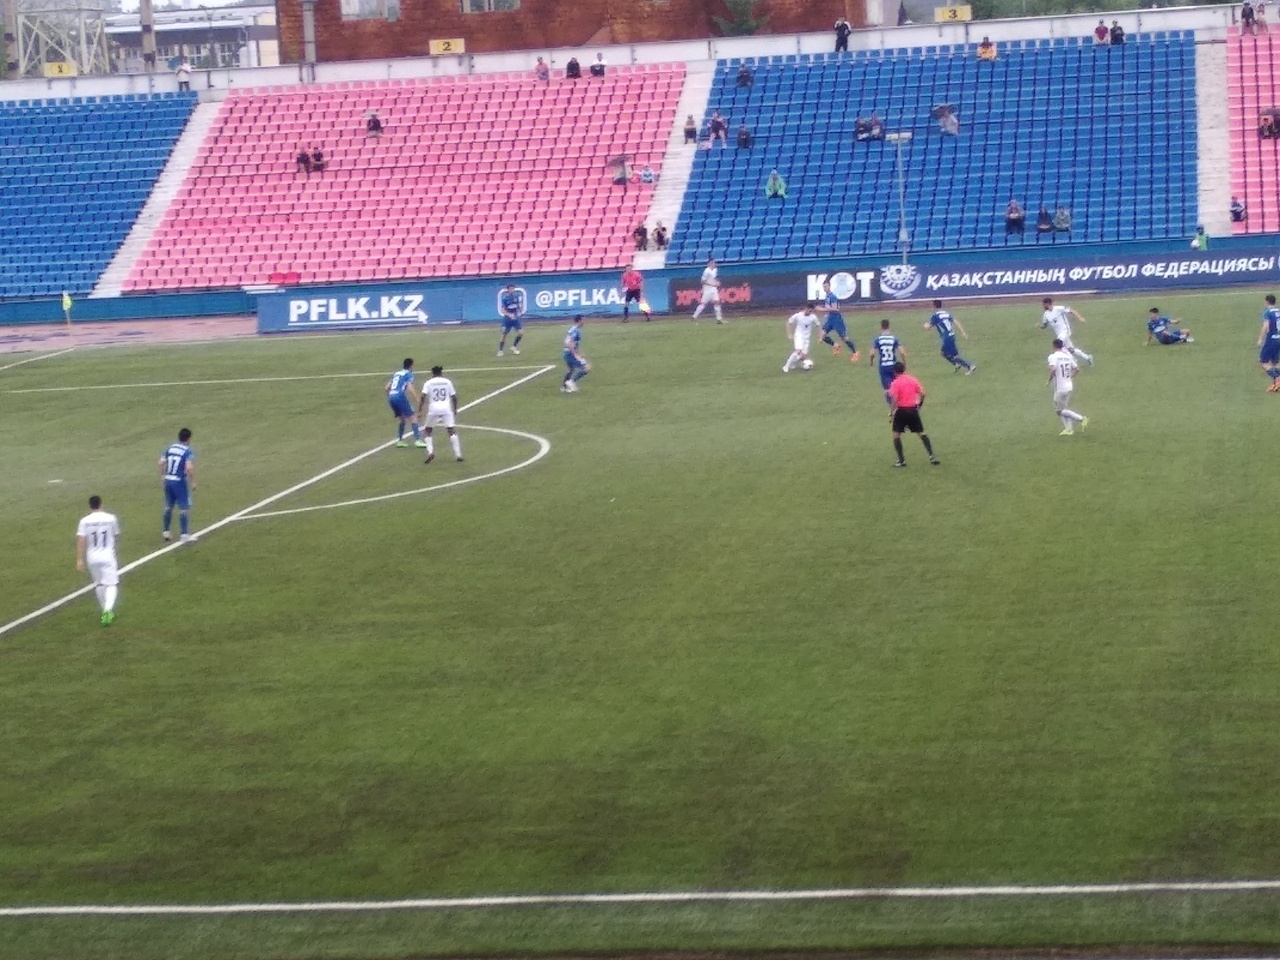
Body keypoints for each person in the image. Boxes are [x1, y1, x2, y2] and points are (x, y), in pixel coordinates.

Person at [77, 495, 121, 626]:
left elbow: (81, 540)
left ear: (90, 506)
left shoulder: (84, 521)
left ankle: (105, 612)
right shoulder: (111, 518)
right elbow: (116, 535)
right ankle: (107, 610)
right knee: (112, 585)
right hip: (107, 555)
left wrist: (79, 559)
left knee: (99, 584)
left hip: (92, 557)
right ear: (101, 504)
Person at [886, 362, 940, 467]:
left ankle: (901, 461)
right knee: (921, 433)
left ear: (895, 372)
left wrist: (891, 413)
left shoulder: (895, 383)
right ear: (904, 369)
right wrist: (920, 404)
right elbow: (923, 394)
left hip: (901, 411)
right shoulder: (912, 379)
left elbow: (895, 399)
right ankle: (932, 456)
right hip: (913, 410)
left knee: (896, 435)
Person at [417, 366, 463, 463]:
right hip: (446, 408)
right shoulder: (447, 382)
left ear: (432, 373)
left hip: (433, 409)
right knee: (451, 430)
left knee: (428, 430)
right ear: (441, 373)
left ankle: (430, 452)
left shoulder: (428, 383)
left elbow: (423, 397)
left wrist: (420, 410)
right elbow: (454, 396)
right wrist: (455, 409)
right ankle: (458, 455)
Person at [159, 427, 197, 541]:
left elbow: (161, 462)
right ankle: (184, 534)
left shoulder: (170, 448)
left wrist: (163, 476)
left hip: (168, 479)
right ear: (188, 439)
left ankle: (166, 532)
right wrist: (193, 481)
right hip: (179, 481)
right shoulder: (187, 451)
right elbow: (189, 467)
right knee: (183, 507)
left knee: (168, 506)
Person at [1047, 339, 1089, 436]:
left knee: (1059, 411)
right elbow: (1077, 369)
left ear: (1054, 346)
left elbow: (1053, 369)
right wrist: (1069, 377)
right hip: (1069, 386)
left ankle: (1082, 419)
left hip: (1060, 388)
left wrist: (1049, 380)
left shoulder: (1053, 357)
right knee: (1063, 408)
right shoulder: (1067, 357)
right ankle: (1069, 429)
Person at [1040, 297, 1094, 366]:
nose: (1043, 306)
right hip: (1059, 334)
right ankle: (1088, 358)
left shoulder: (1059, 309)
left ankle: (1073, 361)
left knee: (1058, 344)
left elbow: (1072, 311)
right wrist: (1040, 326)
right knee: (1071, 350)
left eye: (1043, 304)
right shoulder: (1046, 314)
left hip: (1065, 330)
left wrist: (1080, 318)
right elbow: (1044, 325)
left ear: (1048, 304)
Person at [924, 300, 975, 373]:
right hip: (951, 335)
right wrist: (963, 332)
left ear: (934, 306)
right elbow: (956, 322)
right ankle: (957, 364)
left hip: (946, 338)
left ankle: (969, 366)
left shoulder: (935, 316)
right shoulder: (946, 313)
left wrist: (925, 325)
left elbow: (928, 327)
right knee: (944, 353)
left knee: (951, 355)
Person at [386, 359, 424, 447]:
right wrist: (418, 400)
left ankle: (400, 441)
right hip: (399, 396)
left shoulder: (396, 373)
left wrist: (391, 398)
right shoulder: (409, 374)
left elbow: (387, 388)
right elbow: (410, 388)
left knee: (402, 419)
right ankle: (418, 440)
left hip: (391, 396)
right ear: (411, 366)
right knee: (413, 417)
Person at [820, 280, 859, 360]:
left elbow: (835, 308)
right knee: (822, 335)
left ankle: (855, 353)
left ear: (829, 286)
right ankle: (836, 346)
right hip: (830, 318)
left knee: (844, 338)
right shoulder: (827, 296)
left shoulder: (832, 296)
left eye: (826, 286)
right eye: (823, 287)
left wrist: (822, 309)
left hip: (836, 319)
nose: (824, 288)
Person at [869, 318, 905, 404]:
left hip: (883, 367)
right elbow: (902, 352)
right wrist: (904, 363)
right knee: (898, 386)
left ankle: (892, 407)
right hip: (894, 366)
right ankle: (900, 404)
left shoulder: (878, 340)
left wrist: (871, 362)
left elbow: (872, 353)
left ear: (881, 327)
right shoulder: (894, 339)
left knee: (887, 389)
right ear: (889, 327)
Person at [782, 304, 821, 373]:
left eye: (811, 311)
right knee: (798, 351)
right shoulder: (798, 315)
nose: (810, 312)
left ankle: (792, 363)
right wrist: (789, 334)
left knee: (802, 355)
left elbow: (818, 326)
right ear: (806, 308)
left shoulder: (813, 317)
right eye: (809, 311)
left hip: (807, 338)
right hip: (799, 336)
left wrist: (820, 337)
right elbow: (789, 323)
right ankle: (786, 366)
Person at [561, 315, 590, 393]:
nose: (584, 322)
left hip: (567, 352)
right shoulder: (575, 330)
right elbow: (568, 342)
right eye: (583, 320)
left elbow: (572, 343)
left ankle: (564, 387)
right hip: (570, 353)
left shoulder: (573, 329)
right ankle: (571, 381)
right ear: (579, 321)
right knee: (587, 368)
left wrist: (579, 353)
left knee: (571, 370)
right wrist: (575, 354)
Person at [1257, 293, 1280, 390]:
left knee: (1263, 361)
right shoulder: (1279, 311)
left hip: (1272, 339)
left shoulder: (1268, 312)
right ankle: (1275, 384)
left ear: (1267, 302)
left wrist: (1260, 339)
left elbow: (1266, 326)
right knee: (1274, 363)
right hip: (1279, 339)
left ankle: (1277, 378)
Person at [691, 257, 723, 323]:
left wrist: (717, 282)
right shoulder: (706, 271)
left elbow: (713, 278)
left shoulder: (715, 270)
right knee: (703, 304)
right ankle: (694, 316)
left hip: (714, 289)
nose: (714, 264)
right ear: (709, 263)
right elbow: (702, 281)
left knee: (717, 302)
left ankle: (719, 319)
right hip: (707, 290)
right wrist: (712, 284)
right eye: (713, 263)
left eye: (715, 263)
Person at [497, 284, 524, 356]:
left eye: (513, 289)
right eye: (511, 289)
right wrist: (509, 315)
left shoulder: (516, 297)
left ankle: (514, 346)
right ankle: (500, 350)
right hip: (507, 319)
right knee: (504, 334)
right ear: (508, 290)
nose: (512, 290)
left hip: (515, 318)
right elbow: (503, 310)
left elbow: (518, 306)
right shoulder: (505, 299)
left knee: (520, 332)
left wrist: (520, 312)